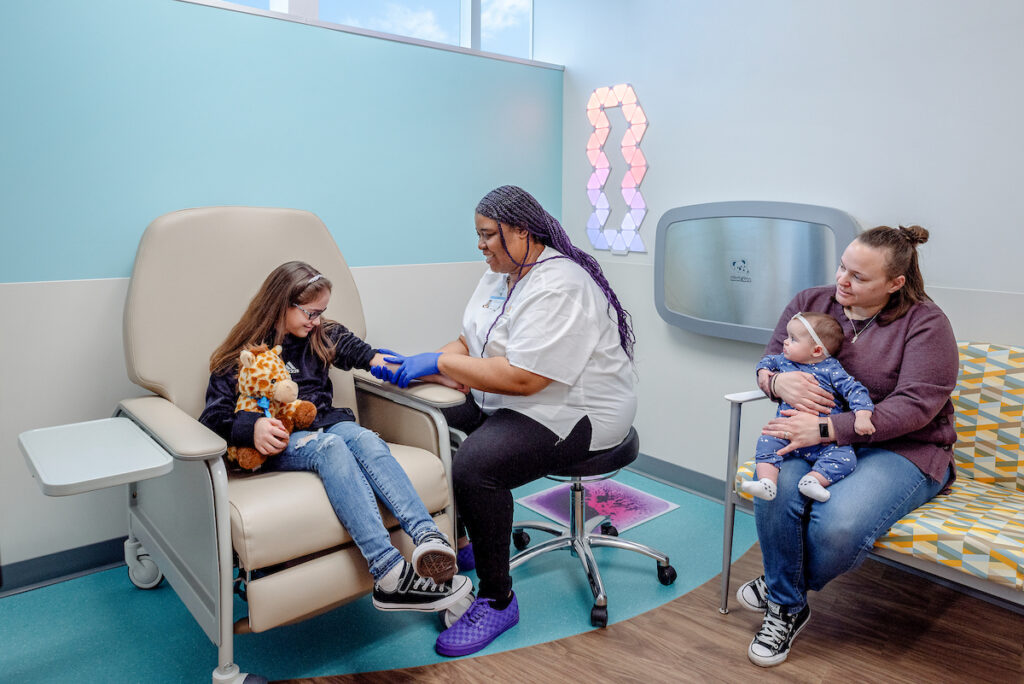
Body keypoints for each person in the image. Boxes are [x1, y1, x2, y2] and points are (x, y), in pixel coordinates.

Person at [372, 185, 637, 656]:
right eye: (478, 235)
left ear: (523, 231)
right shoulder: (498, 274)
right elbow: (466, 340)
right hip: (508, 395)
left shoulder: (562, 284)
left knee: (477, 466)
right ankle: (466, 539)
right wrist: (425, 365)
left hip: (576, 411)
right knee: (426, 417)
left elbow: (525, 379)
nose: (481, 245)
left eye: (489, 235)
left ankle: (498, 600)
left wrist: (441, 364)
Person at [737, 225, 958, 667]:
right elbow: (770, 361)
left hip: (903, 449)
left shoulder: (926, 324)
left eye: (858, 277)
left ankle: (781, 588)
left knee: (837, 527)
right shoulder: (810, 304)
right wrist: (776, 382)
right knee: (777, 490)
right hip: (816, 441)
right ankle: (787, 608)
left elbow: (915, 407)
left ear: (895, 283)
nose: (842, 281)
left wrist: (826, 430)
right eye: (842, 266)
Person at [198, 261, 471, 614]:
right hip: (285, 439)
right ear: (281, 304)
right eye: (310, 313)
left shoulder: (323, 335)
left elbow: (375, 360)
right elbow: (212, 418)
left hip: (327, 422)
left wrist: (438, 375)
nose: (317, 321)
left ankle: (428, 538)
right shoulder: (246, 355)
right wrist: (253, 428)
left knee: (364, 438)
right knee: (331, 446)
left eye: (322, 312)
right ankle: (388, 573)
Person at [741, 311, 875, 503]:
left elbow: (855, 390)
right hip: (786, 433)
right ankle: (767, 483)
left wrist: (862, 416)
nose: (785, 342)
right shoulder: (783, 361)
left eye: (793, 339)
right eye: (787, 337)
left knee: (846, 458)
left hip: (826, 440)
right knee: (766, 442)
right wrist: (764, 374)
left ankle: (813, 481)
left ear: (817, 351)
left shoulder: (832, 369)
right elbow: (767, 361)